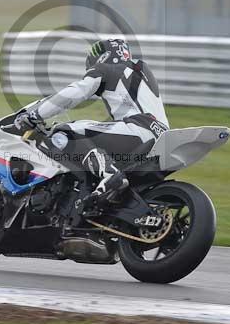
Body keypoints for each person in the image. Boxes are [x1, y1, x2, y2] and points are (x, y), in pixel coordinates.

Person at [13, 38, 169, 205]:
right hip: (161, 135)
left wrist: (36, 115)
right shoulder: (141, 70)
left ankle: (110, 175)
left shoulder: (107, 68)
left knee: (65, 131)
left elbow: (75, 92)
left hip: (138, 129)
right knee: (96, 136)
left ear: (103, 56)